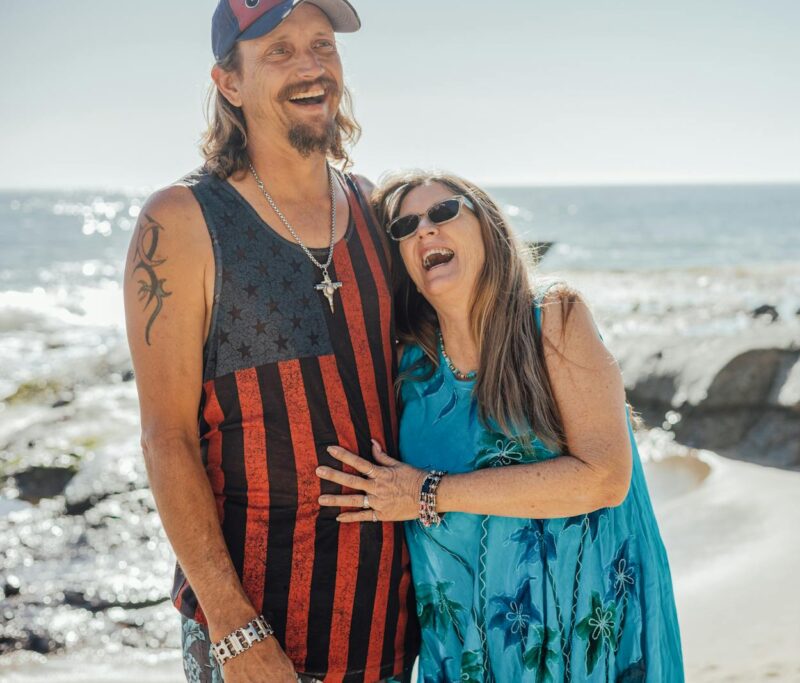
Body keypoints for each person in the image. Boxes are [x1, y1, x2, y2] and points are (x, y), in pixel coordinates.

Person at [123, 2, 418, 681]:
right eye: (279, 50)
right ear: (229, 82)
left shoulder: (373, 208)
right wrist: (235, 629)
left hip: (394, 636)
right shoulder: (182, 220)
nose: (312, 65)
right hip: (260, 646)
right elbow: (165, 438)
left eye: (322, 44)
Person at [315, 171, 685, 681]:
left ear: (487, 226)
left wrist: (428, 492)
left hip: (579, 635)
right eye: (404, 226)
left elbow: (605, 477)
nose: (425, 230)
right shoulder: (407, 371)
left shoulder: (553, 318)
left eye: (444, 212)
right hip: (465, 650)